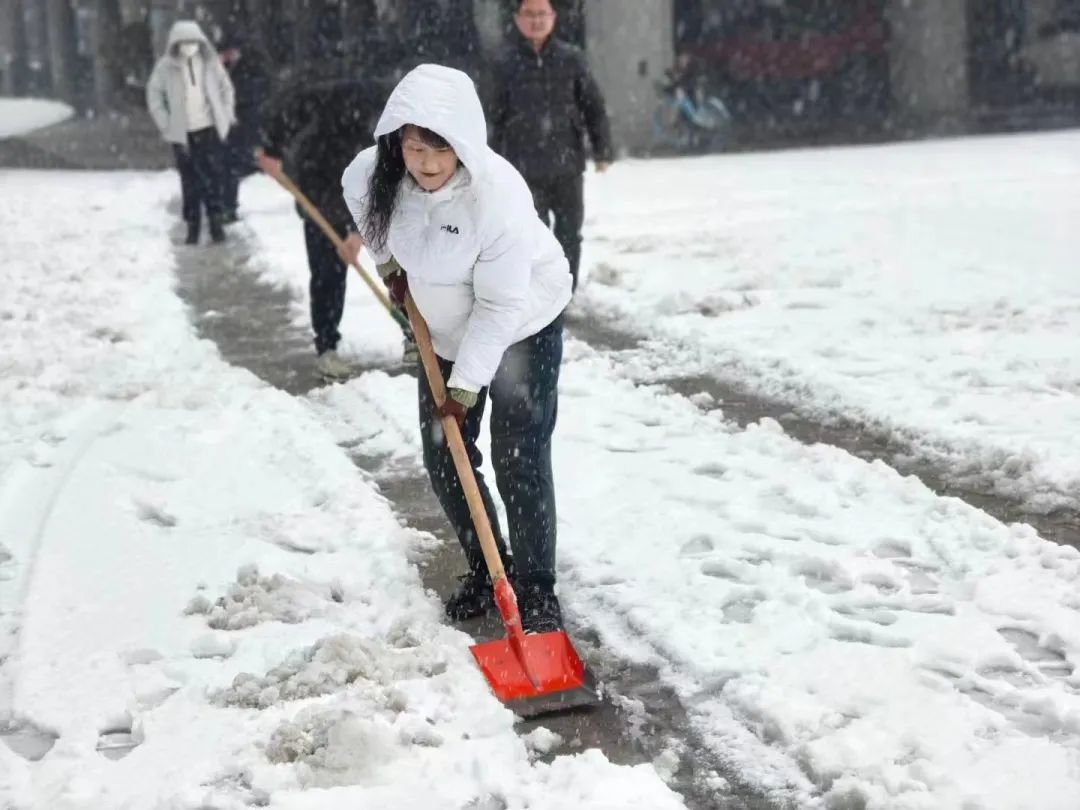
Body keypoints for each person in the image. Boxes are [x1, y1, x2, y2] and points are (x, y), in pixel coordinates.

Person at [340, 64, 572, 633]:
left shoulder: (497, 198)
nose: (425, 164)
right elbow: (372, 222)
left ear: (464, 145)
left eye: (439, 151)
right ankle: (488, 569)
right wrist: (390, 265)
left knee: (518, 453)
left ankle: (536, 588)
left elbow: (498, 308)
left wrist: (467, 384)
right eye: (414, 148)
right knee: (445, 457)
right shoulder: (371, 175)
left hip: (521, 323)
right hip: (440, 329)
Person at [256, 69, 412, 380]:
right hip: (318, 184)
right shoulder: (344, 110)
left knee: (401, 262)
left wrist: (357, 232)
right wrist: (271, 151)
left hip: (361, 183)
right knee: (328, 266)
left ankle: (414, 334)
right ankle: (327, 346)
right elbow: (287, 110)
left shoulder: (406, 131)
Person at [488, 0, 614, 292]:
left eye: (542, 14)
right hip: (522, 167)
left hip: (567, 163)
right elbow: (492, 115)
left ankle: (564, 292)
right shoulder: (503, 63)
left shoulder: (571, 58)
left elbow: (593, 105)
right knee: (533, 235)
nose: (536, 20)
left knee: (570, 234)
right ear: (518, 19)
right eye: (529, 14)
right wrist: (489, 163)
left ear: (554, 18)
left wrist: (602, 149)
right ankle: (539, 296)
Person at [146, 20, 235, 245]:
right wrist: (166, 124)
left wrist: (224, 115)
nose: (188, 46)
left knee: (214, 178)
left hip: (209, 129)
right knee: (190, 182)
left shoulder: (210, 62)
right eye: (183, 42)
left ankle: (216, 223)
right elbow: (154, 95)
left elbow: (226, 89)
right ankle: (193, 226)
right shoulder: (165, 67)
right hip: (182, 134)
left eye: (192, 42)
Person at [218, 33, 270, 223]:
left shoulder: (249, 68)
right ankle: (225, 205)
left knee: (231, 164)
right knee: (225, 165)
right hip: (227, 123)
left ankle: (228, 206)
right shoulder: (221, 69)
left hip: (242, 123)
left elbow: (253, 93)